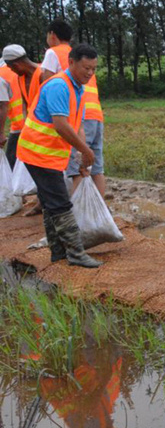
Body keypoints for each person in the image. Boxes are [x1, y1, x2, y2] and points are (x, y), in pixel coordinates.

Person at [16, 43, 102, 268]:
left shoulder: (78, 89)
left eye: (94, 69)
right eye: (86, 68)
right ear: (71, 62)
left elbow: (78, 124)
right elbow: (61, 125)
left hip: (50, 154)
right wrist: (84, 150)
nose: (90, 73)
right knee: (61, 203)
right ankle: (75, 253)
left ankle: (57, 252)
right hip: (37, 153)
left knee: (50, 201)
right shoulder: (58, 86)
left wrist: (82, 157)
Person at [40, 19, 107, 197]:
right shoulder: (81, 56)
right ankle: (100, 211)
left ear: (52, 35)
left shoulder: (55, 54)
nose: (90, 72)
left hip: (77, 115)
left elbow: (47, 85)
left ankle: (78, 212)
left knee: (77, 166)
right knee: (95, 167)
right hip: (95, 114)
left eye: (93, 69)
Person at [3, 44, 43, 214]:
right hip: (31, 127)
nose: (11, 71)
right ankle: (41, 202)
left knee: (46, 166)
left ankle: (46, 203)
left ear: (17, 64)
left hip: (46, 129)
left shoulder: (43, 73)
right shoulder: (20, 78)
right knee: (34, 164)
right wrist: (28, 126)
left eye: (11, 67)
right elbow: (26, 103)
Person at [0, 57, 24, 167]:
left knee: (12, 162)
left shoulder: (1, 74)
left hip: (18, 124)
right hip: (30, 121)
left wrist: (1, 133)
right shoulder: (13, 69)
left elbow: (2, 106)